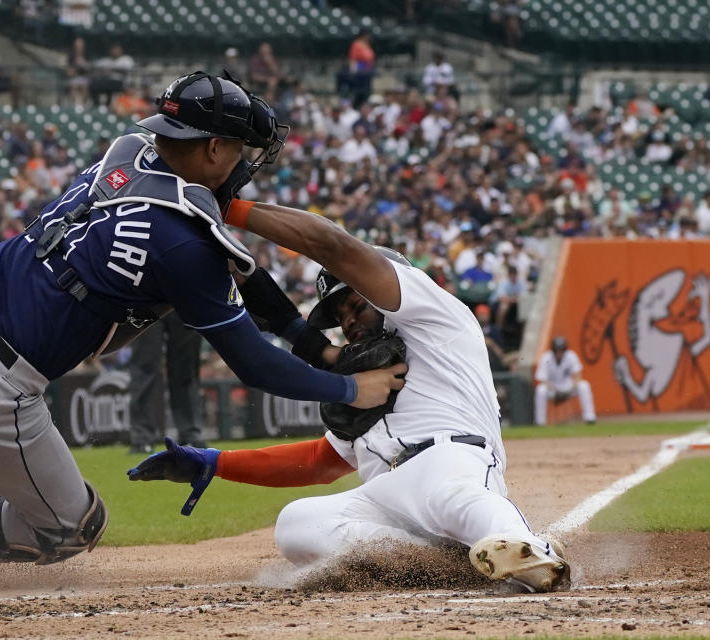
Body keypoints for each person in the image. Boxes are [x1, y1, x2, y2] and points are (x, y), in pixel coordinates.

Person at [0, 72, 404, 589]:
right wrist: (350, 389)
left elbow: (245, 273)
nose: (246, 163)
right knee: (71, 526)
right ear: (212, 148)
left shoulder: (127, 153)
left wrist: (315, 343)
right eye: (238, 150)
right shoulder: (186, 246)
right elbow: (255, 365)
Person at [129, 196, 572, 594]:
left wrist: (228, 206)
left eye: (355, 304)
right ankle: (438, 561)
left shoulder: (433, 313)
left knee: (455, 497)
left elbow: (335, 247)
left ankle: (531, 553)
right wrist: (214, 463)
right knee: (296, 523)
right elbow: (322, 463)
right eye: (340, 315)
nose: (349, 321)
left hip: (450, 460)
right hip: (384, 493)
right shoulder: (364, 374)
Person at [127, 314, 205, 454]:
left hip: (184, 301)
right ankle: (142, 437)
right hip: (147, 299)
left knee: (186, 368)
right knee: (144, 367)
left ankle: (190, 434)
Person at [533, 337, 596, 426]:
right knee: (540, 390)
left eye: (562, 350)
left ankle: (590, 418)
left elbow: (578, 376)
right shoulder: (546, 357)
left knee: (584, 385)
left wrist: (569, 389)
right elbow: (542, 379)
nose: (560, 352)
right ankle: (540, 422)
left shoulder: (571, 356)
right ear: (553, 350)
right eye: (557, 350)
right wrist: (555, 390)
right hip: (552, 388)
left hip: (568, 387)